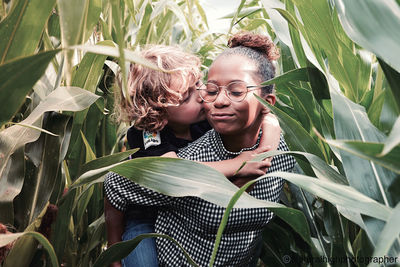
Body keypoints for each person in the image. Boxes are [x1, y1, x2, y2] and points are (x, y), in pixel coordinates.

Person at [104, 44, 282, 267]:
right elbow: (175, 173)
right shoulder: (148, 134)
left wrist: (265, 147)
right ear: (158, 111)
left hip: (179, 212)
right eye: (186, 97)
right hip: (145, 216)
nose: (200, 96)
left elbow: (267, 115)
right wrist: (237, 164)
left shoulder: (203, 119)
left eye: (199, 85)